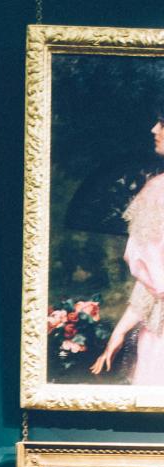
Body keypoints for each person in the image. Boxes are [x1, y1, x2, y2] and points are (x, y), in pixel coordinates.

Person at [91, 106, 164, 385]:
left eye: (162, 122)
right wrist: (118, 334)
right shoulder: (158, 190)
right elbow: (152, 286)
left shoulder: (159, 192)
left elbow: (155, 279)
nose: (154, 130)